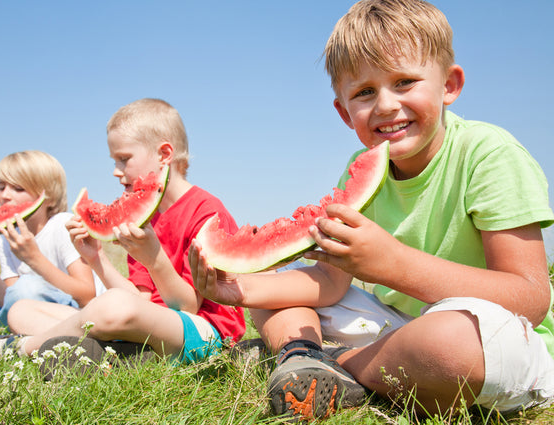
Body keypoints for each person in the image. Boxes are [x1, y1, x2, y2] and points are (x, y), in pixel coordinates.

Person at [189, 0, 554, 420]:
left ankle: (339, 365)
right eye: (364, 92)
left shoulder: (489, 154)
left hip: (498, 341)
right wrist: (238, 290)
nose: (384, 105)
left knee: (451, 343)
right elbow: (330, 282)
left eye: (404, 82)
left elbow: (530, 300)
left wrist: (393, 265)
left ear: (449, 86)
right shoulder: (359, 171)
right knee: (277, 283)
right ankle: (301, 353)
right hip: (400, 328)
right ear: (344, 113)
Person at [6, 98, 245, 365]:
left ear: (164, 154)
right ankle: (121, 354)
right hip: (147, 320)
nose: (115, 171)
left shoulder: (206, 212)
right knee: (21, 310)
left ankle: (25, 348)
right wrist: (97, 258)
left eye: (124, 159)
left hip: (204, 332)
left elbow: (187, 305)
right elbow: (140, 298)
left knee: (112, 305)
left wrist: (154, 258)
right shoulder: (143, 218)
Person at [0, 151, 103, 334]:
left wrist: (34, 259)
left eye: (18, 189)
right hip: (21, 311)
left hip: (74, 313)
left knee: (27, 285)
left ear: (48, 196)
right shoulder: (6, 236)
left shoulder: (62, 225)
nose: (5, 195)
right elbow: (8, 299)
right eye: (1, 187)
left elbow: (87, 295)